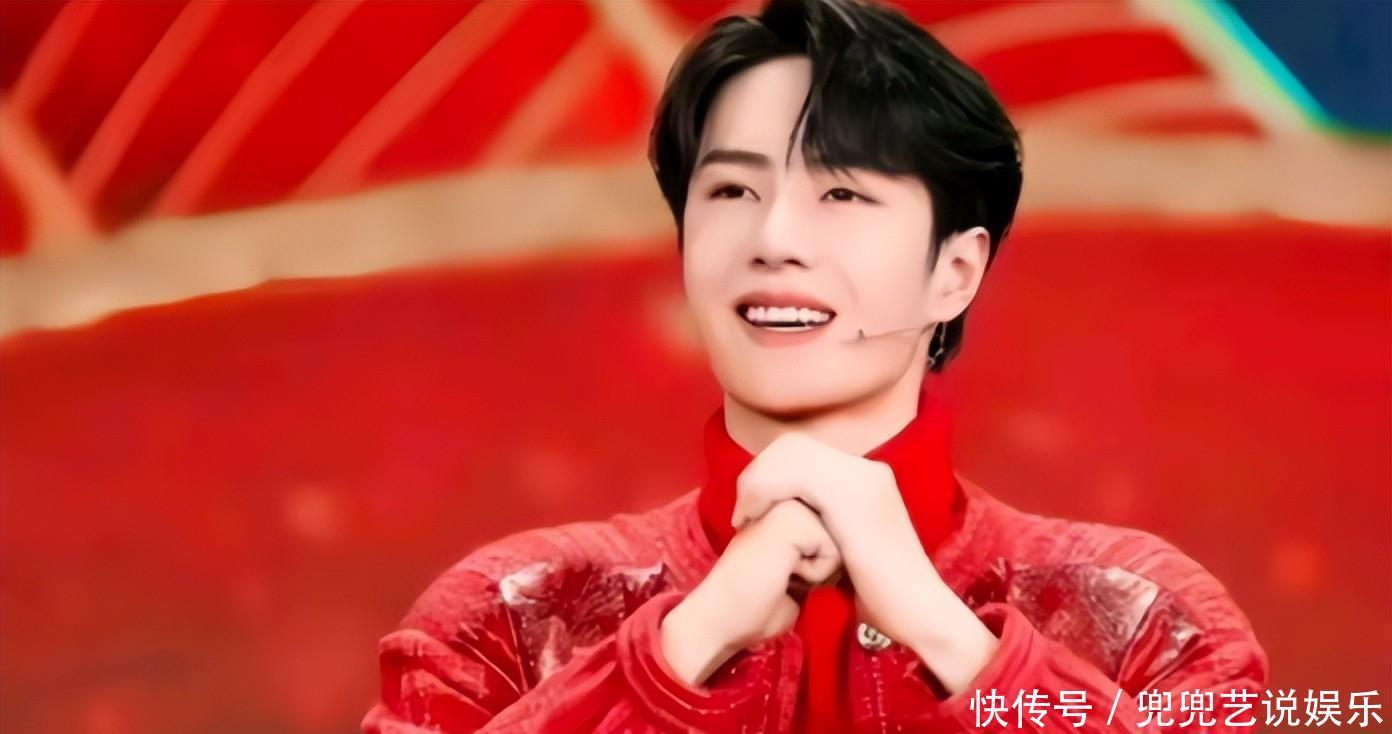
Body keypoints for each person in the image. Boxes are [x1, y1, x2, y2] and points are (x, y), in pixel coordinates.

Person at [361, 0, 1268, 731]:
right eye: (731, 189)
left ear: (954, 272)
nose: (773, 238)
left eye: (839, 191)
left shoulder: (1142, 617)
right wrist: (679, 652)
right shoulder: (512, 614)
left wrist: (948, 638)